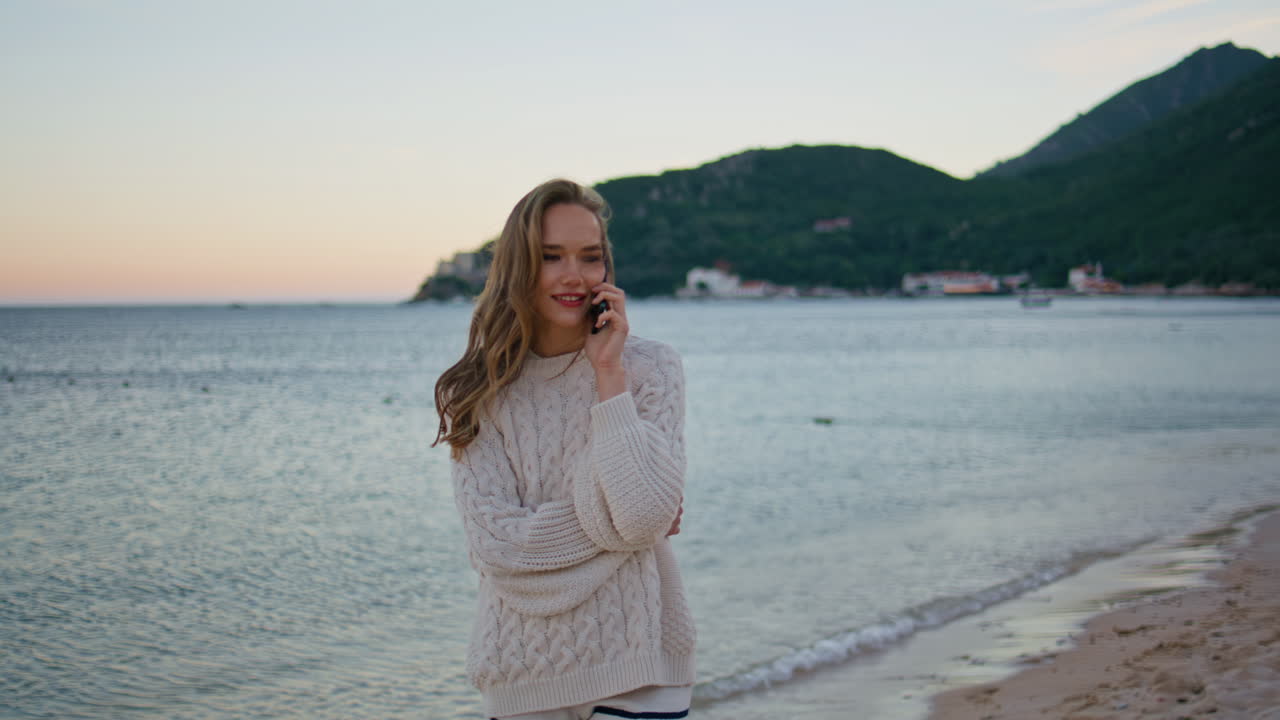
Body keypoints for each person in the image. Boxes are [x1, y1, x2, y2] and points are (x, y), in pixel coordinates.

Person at [434, 178, 696, 719]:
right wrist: (615, 523)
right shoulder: (479, 390)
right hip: (521, 671)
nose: (574, 275)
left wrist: (608, 375)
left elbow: (645, 518)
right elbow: (497, 546)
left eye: (590, 257)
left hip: (639, 663)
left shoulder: (648, 369)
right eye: (551, 257)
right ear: (518, 267)